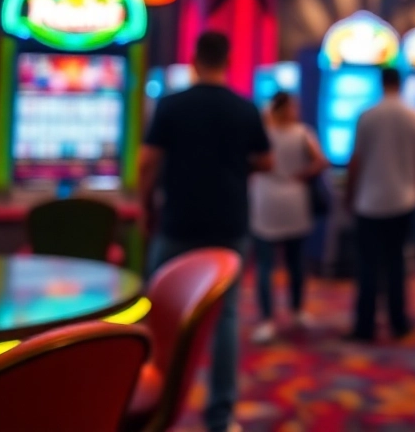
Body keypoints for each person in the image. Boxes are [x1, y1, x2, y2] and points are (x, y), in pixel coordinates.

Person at [139, 32, 271, 432]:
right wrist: (233, 169)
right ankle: (221, 416)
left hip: (178, 219)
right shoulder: (245, 108)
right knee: (226, 316)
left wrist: (147, 205)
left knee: (157, 310)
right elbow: (265, 161)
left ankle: (149, 402)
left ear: (194, 59)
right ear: (227, 59)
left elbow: (147, 163)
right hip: (229, 222)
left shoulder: (172, 105)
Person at [344, 66, 415, 341]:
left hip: (369, 202)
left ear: (381, 83)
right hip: (404, 200)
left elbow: (356, 160)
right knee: (397, 263)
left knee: (368, 266)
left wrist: (350, 195)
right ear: (401, 83)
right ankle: (399, 323)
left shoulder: (367, 115)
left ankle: (365, 326)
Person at [250, 91, 328, 344]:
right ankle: (296, 311)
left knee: (265, 265)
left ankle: (267, 319)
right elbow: (321, 161)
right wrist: (301, 175)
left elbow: (251, 162)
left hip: (265, 198)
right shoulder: (303, 133)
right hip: (294, 198)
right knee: (295, 262)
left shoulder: (264, 133)